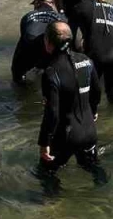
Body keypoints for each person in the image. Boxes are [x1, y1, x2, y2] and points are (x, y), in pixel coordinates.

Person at [37, 21, 106, 189]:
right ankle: (104, 193)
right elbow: (97, 92)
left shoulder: (51, 72)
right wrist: (94, 110)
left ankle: (53, 206)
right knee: (92, 168)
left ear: (48, 43)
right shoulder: (86, 61)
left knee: (45, 172)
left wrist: (44, 143)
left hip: (66, 137)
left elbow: (52, 112)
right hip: (89, 132)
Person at [69, 0, 113, 101]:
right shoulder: (112, 8)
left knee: (89, 95)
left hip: (95, 54)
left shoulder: (78, 7)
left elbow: (70, 36)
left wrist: (76, 57)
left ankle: (94, 114)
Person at [12, 0, 66, 84]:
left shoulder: (27, 16)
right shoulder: (61, 18)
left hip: (30, 45)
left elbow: (24, 39)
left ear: (37, 3)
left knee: (17, 75)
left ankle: (22, 92)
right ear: (52, 4)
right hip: (51, 48)